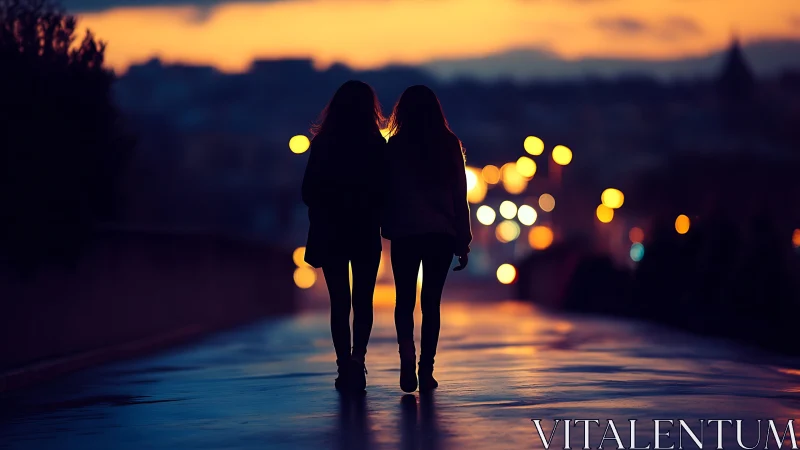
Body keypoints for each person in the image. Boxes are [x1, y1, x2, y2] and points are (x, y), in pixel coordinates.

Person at [382, 85, 472, 393]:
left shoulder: (395, 145)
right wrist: (464, 238)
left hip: (405, 231)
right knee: (431, 303)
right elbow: (460, 196)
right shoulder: (448, 144)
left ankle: (406, 360)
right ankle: (426, 368)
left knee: (404, 301)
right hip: (441, 233)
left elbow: (385, 192)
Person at [301, 80, 386, 391]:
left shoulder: (324, 144)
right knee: (363, 300)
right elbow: (386, 191)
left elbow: (308, 191)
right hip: (365, 231)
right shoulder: (376, 145)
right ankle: (357, 360)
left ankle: (342, 367)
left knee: (340, 302)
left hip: (332, 232)